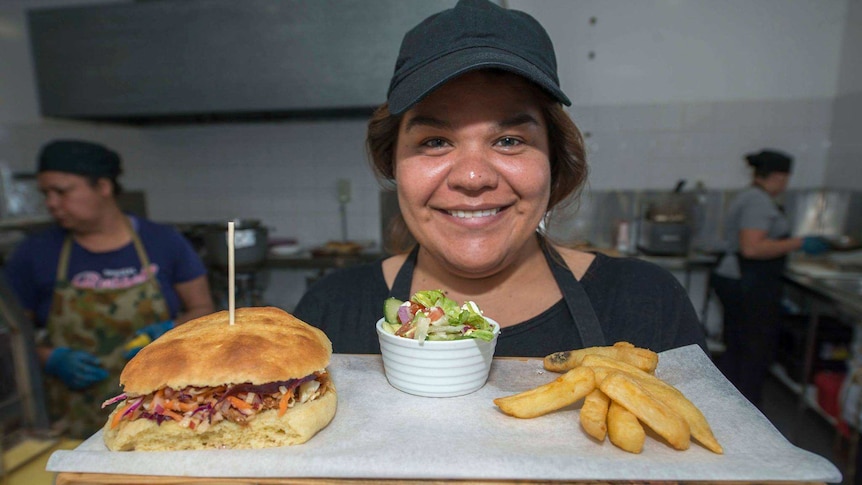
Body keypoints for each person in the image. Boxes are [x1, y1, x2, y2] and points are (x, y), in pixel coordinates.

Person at [295, 0, 706, 357]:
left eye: (509, 140)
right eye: (436, 141)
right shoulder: (328, 312)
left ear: (555, 159)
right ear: (394, 163)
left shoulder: (646, 303)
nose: (473, 177)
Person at [3, 139, 214, 438]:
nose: (51, 203)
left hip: (159, 409)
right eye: (46, 193)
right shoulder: (34, 253)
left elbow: (203, 310)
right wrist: (49, 357)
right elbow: (10, 339)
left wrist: (169, 332)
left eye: (61, 191)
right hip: (69, 419)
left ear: (103, 186)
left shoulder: (164, 242)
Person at [710, 149, 830, 407]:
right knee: (751, 348)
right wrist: (799, 242)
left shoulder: (753, 197)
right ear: (777, 177)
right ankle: (745, 406)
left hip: (743, 279)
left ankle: (732, 403)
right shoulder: (758, 201)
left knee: (740, 344)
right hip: (747, 281)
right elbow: (751, 248)